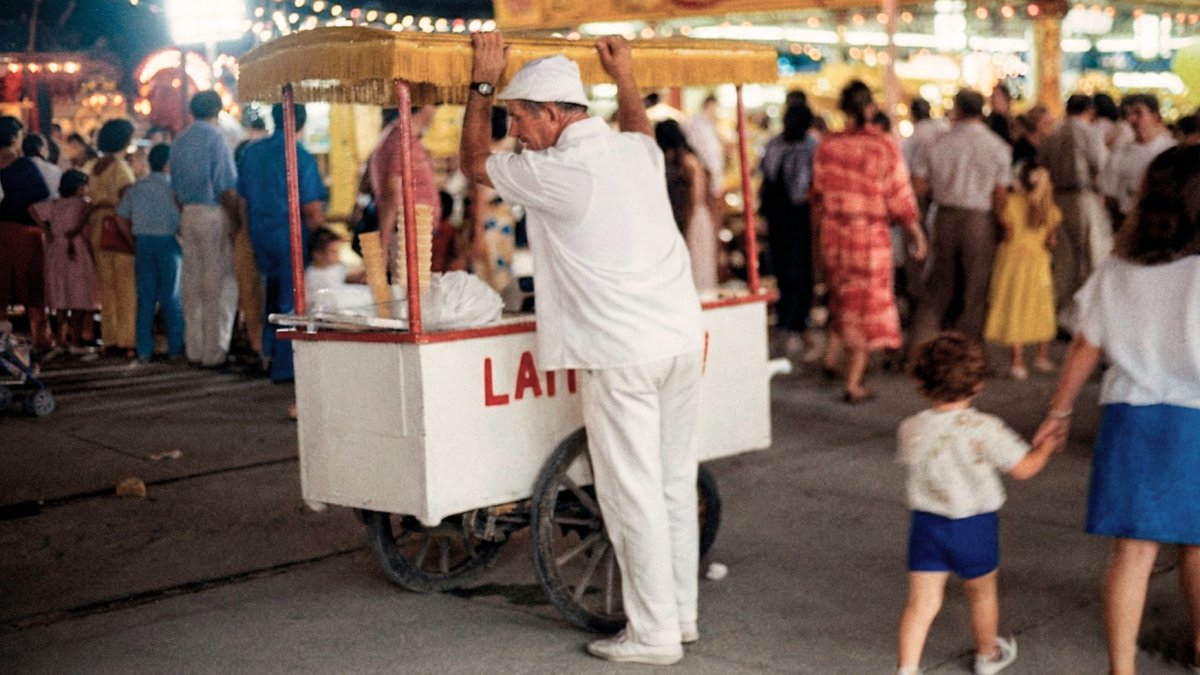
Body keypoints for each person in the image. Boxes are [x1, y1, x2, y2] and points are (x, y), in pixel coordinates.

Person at [462, 32, 705, 666]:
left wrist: (482, 83)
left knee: (632, 495)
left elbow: (473, 164)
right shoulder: (633, 152)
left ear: (551, 113)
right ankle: (679, 616)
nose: (514, 132)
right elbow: (638, 128)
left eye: (518, 118)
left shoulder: (559, 172)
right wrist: (624, 76)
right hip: (679, 339)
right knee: (673, 484)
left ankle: (653, 636)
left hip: (622, 353)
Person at [1032, 145, 1200, 675]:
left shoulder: (1118, 269)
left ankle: (1121, 669)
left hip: (1131, 418)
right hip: (1194, 420)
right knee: (1197, 546)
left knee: (1133, 550)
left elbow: (1086, 345)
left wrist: (1059, 412)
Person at [896, 332, 1054, 675]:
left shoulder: (910, 428)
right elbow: (1023, 469)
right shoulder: (984, 428)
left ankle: (907, 669)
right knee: (982, 594)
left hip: (927, 525)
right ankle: (987, 655)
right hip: (974, 526)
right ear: (978, 384)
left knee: (921, 604)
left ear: (920, 384)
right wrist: (1045, 448)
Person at [811, 80, 926, 403]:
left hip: (834, 235)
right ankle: (853, 382)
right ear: (870, 108)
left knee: (841, 296)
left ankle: (832, 358)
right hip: (869, 237)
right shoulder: (882, 146)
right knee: (865, 305)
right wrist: (916, 235)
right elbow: (900, 197)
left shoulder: (827, 147)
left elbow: (817, 197)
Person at [910, 88, 1011, 350]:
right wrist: (1001, 220)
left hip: (944, 215)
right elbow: (1000, 192)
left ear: (957, 109)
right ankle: (967, 352)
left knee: (937, 286)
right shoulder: (996, 146)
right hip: (979, 218)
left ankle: (921, 346)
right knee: (975, 290)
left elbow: (919, 183)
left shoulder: (938, 143)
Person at [236, 102, 328, 383]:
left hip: (259, 235)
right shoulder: (300, 156)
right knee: (291, 302)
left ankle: (268, 355)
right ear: (301, 124)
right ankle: (286, 367)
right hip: (291, 237)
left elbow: (243, 202)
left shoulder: (251, 153)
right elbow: (311, 209)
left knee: (272, 298)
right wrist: (326, 238)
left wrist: (249, 233)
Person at [171, 90, 241, 368]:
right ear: (218, 110)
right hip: (213, 212)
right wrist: (234, 222)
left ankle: (195, 348)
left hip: (188, 212)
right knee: (218, 283)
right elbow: (225, 185)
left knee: (191, 282)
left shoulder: (179, 140)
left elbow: (175, 187)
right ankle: (215, 351)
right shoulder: (216, 138)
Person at [1040, 94, 1112, 332]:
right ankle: (1078, 317)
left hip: (1057, 198)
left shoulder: (1053, 134)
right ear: (1089, 110)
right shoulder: (1089, 132)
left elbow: (1043, 165)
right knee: (1088, 257)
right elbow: (1101, 163)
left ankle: (1058, 312)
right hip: (1083, 197)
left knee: (1062, 258)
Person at [983, 162, 1061, 380]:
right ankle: (1042, 357)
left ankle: (1018, 363)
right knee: (1041, 307)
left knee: (1015, 307)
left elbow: (1007, 233)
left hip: (1013, 263)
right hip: (1038, 263)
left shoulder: (1010, 203)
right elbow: (1051, 242)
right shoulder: (1050, 209)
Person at [758, 99, 818, 356]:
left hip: (780, 218)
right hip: (797, 218)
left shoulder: (775, 145)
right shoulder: (810, 145)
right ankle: (793, 326)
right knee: (797, 273)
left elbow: (766, 180)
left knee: (786, 273)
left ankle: (790, 326)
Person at [115, 143, 184, 363]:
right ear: (168, 163)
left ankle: (144, 349)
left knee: (145, 299)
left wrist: (131, 240)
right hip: (169, 243)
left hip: (143, 244)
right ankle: (175, 348)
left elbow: (120, 216)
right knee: (171, 298)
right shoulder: (174, 188)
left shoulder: (137, 188)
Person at [29, 169, 99, 354]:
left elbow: (32, 209)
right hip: (77, 251)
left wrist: (47, 231)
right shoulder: (84, 204)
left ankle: (60, 340)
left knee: (60, 296)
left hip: (57, 250)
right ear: (78, 187)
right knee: (79, 296)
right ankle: (75, 340)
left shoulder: (55, 204)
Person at [368, 106, 441, 281]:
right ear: (424, 106)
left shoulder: (396, 136)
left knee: (409, 288)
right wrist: (382, 247)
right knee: (409, 289)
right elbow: (393, 195)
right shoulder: (402, 140)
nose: (436, 112)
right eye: (435, 105)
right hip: (408, 233)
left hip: (410, 232)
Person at [0, 115, 52, 353]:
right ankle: (40, 338)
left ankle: (3, 340)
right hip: (24, 233)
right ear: (14, 137)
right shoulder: (24, 166)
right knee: (32, 288)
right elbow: (40, 198)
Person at [88, 118, 139, 358]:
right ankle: (127, 339)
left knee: (107, 288)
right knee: (126, 287)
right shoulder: (120, 167)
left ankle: (109, 338)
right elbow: (126, 203)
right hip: (117, 227)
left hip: (97, 226)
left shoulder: (94, 166)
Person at [656, 118, 718, 290]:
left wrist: (685, 225)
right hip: (692, 217)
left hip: (693, 219)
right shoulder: (687, 159)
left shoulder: (687, 162)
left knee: (696, 268)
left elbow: (694, 198)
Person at [1100, 93, 1176, 230]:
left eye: (1138, 113)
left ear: (1155, 117)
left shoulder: (1170, 151)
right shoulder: (1120, 153)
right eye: (1129, 115)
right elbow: (1110, 195)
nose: (1132, 119)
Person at [24, 133, 62, 200]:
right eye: (46, 147)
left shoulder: (15, 167)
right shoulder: (55, 170)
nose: (48, 151)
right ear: (40, 149)